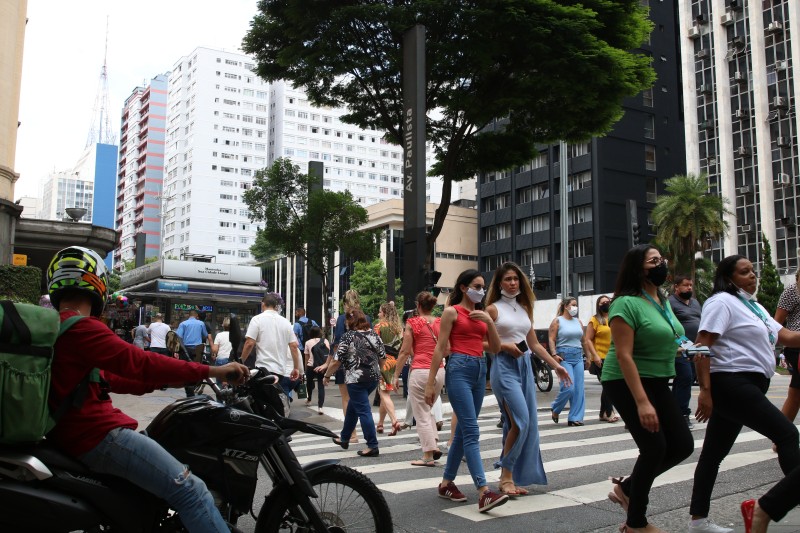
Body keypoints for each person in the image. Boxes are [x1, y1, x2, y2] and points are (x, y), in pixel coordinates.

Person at [46, 246, 249, 533]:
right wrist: (212, 370)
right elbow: (140, 363)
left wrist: (174, 379)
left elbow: (116, 379)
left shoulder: (57, 328)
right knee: (192, 491)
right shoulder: (84, 329)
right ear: (97, 285)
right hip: (97, 436)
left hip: (73, 435)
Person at [689, 255, 800, 533]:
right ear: (729, 278)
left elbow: (786, 336)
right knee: (787, 434)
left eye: (753, 270)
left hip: (747, 385)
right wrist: (705, 391)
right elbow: (701, 346)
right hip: (732, 383)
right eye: (744, 272)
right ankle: (784, 499)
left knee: (713, 454)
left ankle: (698, 521)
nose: (752, 275)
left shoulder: (754, 307)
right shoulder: (720, 302)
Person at [600, 244, 695, 533]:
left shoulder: (661, 299)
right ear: (637, 268)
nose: (661, 264)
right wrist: (642, 403)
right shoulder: (624, 303)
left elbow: (667, 335)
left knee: (682, 445)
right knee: (654, 448)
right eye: (654, 261)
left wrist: (689, 349)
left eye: (661, 259)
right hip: (625, 380)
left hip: (656, 378)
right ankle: (635, 523)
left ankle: (627, 489)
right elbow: (624, 354)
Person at [423, 269, 509, 513]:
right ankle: (484, 491)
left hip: (480, 369)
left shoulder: (482, 314)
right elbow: (439, 348)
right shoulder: (452, 312)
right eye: (477, 286)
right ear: (463, 287)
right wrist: (431, 384)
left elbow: (495, 347)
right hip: (459, 367)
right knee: (471, 430)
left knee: (462, 432)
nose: (481, 291)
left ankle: (446, 483)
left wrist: (489, 322)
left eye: (483, 287)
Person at [485, 262, 571, 496]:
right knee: (521, 422)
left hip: (524, 366)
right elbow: (479, 342)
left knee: (523, 424)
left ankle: (509, 477)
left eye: (515, 279)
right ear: (499, 283)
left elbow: (533, 344)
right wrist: (504, 346)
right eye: (508, 279)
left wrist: (556, 366)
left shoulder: (523, 309)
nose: (512, 283)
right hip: (503, 366)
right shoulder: (492, 309)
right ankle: (505, 474)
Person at [393, 292, 445, 465]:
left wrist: (395, 375)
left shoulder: (413, 323)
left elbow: (404, 351)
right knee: (427, 409)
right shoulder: (440, 322)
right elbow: (448, 349)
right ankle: (434, 446)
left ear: (418, 306)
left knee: (421, 413)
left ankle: (428, 455)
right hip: (440, 371)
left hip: (421, 371)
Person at [325, 310, 383, 457]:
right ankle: (345, 438)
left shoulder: (348, 336)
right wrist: (380, 372)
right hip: (372, 377)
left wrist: (327, 375)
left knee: (363, 411)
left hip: (355, 379)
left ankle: (372, 445)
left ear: (351, 322)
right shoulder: (374, 335)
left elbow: (337, 360)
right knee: (353, 407)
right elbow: (382, 356)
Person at [241, 293, 303, 398]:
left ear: (262, 304)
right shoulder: (286, 322)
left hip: (263, 369)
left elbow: (249, 343)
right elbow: (293, 346)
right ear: (275, 306)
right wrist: (296, 368)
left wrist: (240, 362)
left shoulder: (257, 319)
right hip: (280, 371)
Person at [329, 290, 371, 443]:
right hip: (365, 364)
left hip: (346, 365)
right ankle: (366, 437)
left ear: (345, 303)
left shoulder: (342, 319)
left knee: (346, 399)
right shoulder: (366, 318)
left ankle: (353, 434)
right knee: (362, 403)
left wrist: (331, 365)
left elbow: (337, 344)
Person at [668, 274, 703, 430]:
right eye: (685, 285)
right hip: (680, 348)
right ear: (677, 287)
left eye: (690, 285)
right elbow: (672, 327)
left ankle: (673, 413)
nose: (689, 287)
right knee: (685, 377)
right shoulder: (670, 303)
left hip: (698, 346)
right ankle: (682, 414)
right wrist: (687, 346)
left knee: (689, 379)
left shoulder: (695, 303)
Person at [548, 296, 587, 426]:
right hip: (564, 356)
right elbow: (551, 339)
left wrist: (589, 356)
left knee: (578, 389)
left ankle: (575, 418)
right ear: (565, 306)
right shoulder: (557, 321)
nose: (575, 308)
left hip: (578, 356)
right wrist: (553, 354)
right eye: (573, 305)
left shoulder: (578, 322)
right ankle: (556, 407)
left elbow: (584, 340)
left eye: (576, 305)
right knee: (568, 387)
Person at [772, 271, 800, 443]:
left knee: (796, 394)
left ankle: (779, 438)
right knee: (796, 393)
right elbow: (777, 322)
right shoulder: (792, 291)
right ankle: (780, 437)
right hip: (796, 347)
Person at [585, 295, 619, 423]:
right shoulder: (594, 320)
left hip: (614, 356)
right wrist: (595, 356)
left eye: (608, 301)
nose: (606, 304)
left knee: (609, 385)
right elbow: (588, 339)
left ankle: (602, 413)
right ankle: (609, 412)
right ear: (598, 306)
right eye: (602, 302)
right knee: (608, 385)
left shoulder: (614, 318)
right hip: (600, 357)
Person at [374, 302, 404, 436]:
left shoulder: (379, 326)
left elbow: (373, 344)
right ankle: (380, 424)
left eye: (380, 311)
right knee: (385, 392)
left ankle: (394, 421)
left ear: (384, 313)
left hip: (383, 362)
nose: (378, 314)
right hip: (395, 362)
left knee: (384, 394)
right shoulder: (398, 328)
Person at [304, 325, 330, 414]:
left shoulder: (308, 342)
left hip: (311, 365)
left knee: (309, 383)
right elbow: (329, 354)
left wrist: (305, 368)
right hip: (322, 365)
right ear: (320, 332)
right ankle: (320, 407)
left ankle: (309, 399)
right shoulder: (325, 341)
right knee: (321, 385)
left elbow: (306, 357)